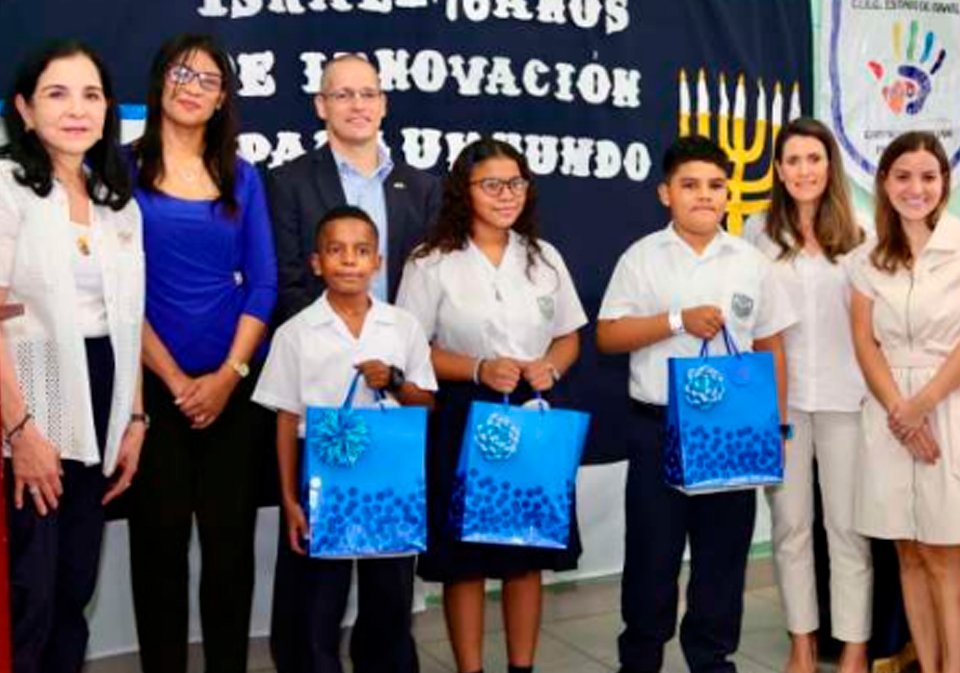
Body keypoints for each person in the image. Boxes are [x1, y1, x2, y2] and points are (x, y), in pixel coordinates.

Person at [596, 135, 795, 673]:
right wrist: (677, 321)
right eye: (689, 185)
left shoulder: (751, 261)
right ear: (666, 193)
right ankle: (641, 659)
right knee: (651, 557)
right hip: (657, 427)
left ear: (729, 194)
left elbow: (770, 344)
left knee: (723, 559)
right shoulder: (642, 257)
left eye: (715, 185)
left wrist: (775, 424)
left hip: (732, 431)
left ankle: (712, 659)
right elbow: (608, 335)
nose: (704, 195)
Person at [397, 137, 588, 673]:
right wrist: (477, 368)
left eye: (516, 183)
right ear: (465, 191)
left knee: (526, 554)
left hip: (530, 411)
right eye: (492, 185)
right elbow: (410, 350)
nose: (507, 195)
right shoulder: (431, 262)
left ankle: (521, 667)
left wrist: (552, 366)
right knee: (466, 560)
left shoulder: (544, 257)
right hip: (463, 412)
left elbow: (569, 335)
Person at [124, 33, 277, 673]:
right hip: (150, 390)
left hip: (231, 392)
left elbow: (263, 283)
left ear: (222, 100)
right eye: (182, 74)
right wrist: (174, 377)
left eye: (208, 80)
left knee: (229, 552)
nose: (192, 87)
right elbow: (116, 289)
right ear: (160, 81)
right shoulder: (120, 170)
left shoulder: (241, 176)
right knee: (157, 550)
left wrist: (228, 375)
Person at [0, 40, 145, 673]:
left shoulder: (116, 200)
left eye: (91, 95)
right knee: (29, 591)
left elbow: (129, 318)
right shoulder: (7, 187)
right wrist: (20, 431)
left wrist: (135, 418)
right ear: (25, 110)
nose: (77, 109)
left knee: (74, 584)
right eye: (57, 94)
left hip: (104, 395)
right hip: (30, 400)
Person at [253, 205, 436, 673]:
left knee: (390, 594)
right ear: (317, 263)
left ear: (378, 261)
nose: (349, 260)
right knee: (316, 597)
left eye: (361, 251)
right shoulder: (295, 333)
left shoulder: (403, 326)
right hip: (321, 472)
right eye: (336, 251)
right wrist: (290, 500)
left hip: (388, 472)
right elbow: (285, 419)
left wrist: (394, 381)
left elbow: (426, 404)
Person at [742, 117, 871, 673]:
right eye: (792, 160)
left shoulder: (863, 232)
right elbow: (750, 320)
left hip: (850, 401)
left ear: (830, 165)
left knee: (847, 529)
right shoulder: (756, 231)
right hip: (783, 403)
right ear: (777, 168)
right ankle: (802, 641)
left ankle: (855, 647)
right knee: (790, 526)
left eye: (813, 159)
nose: (803, 170)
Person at [848, 131, 960, 673]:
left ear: (945, 183)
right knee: (908, 552)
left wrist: (923, 405)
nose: (916, 188)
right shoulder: (866, 259)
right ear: (884, 183)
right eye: (903, 176)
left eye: (928, 177)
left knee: (945, 553)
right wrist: (900, 410)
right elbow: (864, 341)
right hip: (888, 410)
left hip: (948, 406)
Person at [268, 53, 441, 322]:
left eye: (368, 94)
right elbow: (287, 283)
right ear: (321, 106)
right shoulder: (288, 183)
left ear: (383, 105)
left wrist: (403, 342)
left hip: (403, 343)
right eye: (343, 95)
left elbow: (433, 285)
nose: (358, 105)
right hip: (317, 341)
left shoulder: (422, 189)